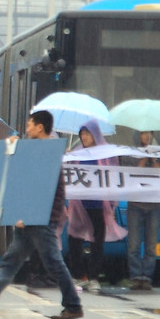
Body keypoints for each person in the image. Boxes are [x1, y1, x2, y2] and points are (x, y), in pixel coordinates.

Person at [0, 111, 84, 319]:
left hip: (42, 216)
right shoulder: (36, 150)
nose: (27, 127)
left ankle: (73, 305)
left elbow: (42, 187)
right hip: (30, 215)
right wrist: (11, 150)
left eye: (30, 124)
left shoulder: (47, 151)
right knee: (11, 261)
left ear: (40, 127)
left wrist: (30, 214)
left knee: (53, 263)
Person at [65, 125, 123, 292]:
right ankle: (76, 275)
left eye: (87, 134)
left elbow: (113, 176)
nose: (84, 137)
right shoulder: (76, 152)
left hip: (98, 204)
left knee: (97, 240)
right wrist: (67, 158)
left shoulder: (105, 154)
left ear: (95, 135)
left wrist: (111, 202)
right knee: (74, 239)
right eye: (81, 134)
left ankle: (93, 277)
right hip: (79, 204)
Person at [122, 130, 160, 292]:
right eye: (144, 134)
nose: (147, 137)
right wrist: (144, 156)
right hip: (135, 204)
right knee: (133, 243)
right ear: (138, 136)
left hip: (154, 204)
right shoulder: (131, 153)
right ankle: (134, 276)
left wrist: (153, 158)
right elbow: (131, 173)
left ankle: (146, 276)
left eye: (150, 134)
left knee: (151, 244)